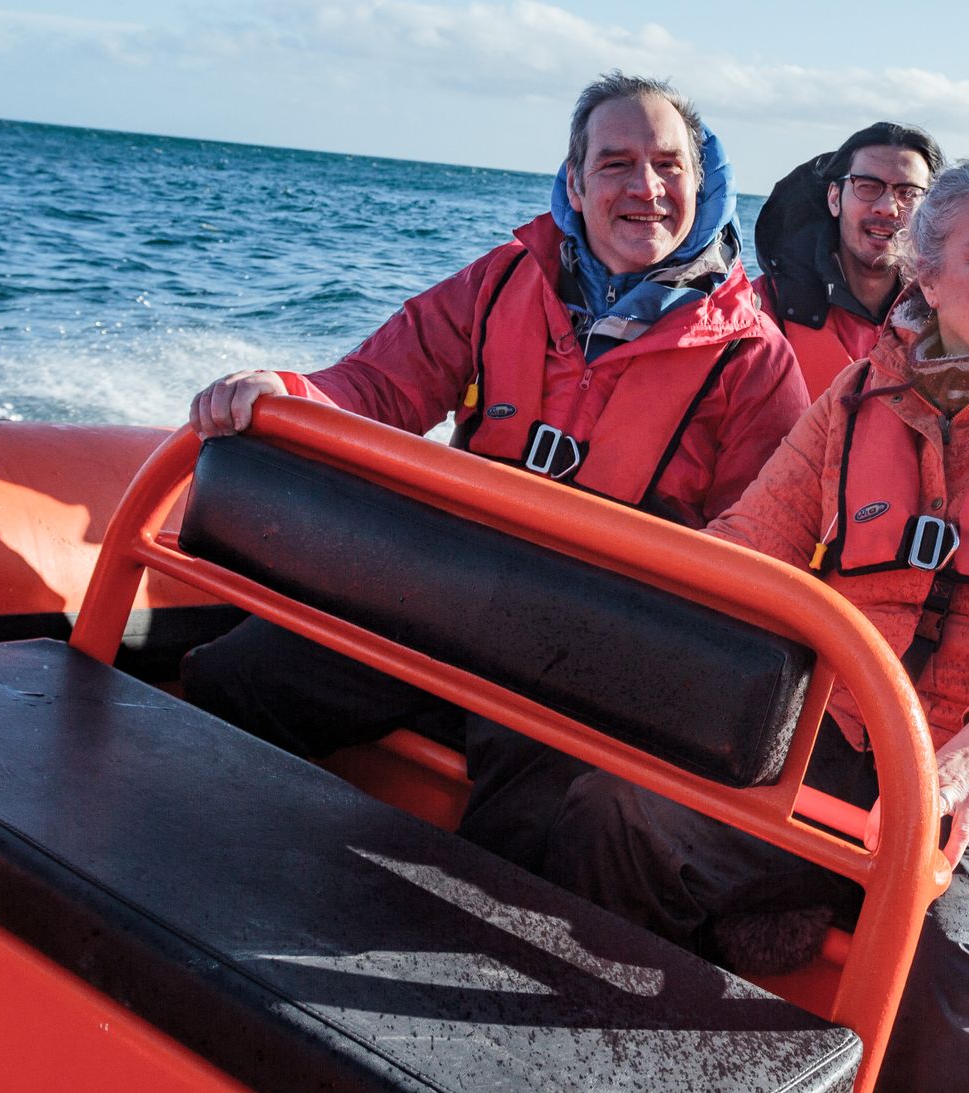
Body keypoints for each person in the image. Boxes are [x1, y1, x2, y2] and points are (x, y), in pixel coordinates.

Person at [539, 153, 969, 1092]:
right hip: (859, 744)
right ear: (924, 273)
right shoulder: (854, 400)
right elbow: (744, 558)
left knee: (954, 948)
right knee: (615, 813)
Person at [179, 72, 811, 868]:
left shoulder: (752, 360)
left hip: (599, 658)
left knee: (528, 827)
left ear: (701, 179)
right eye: (615, 163)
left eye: (668, 164)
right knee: (241, 675)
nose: (645, 187)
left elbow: (765, 557)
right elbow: (377, 386)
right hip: (442, 599)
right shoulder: (504, 280)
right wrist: (288, 390)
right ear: (574, 185)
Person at [753, 122, 945, 398]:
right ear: (834, 198)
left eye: (908, 193)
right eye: (867, 187)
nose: (887, 208)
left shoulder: (949, 314)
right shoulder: (761, 311)